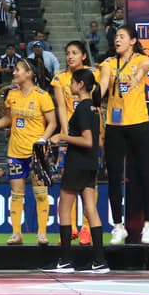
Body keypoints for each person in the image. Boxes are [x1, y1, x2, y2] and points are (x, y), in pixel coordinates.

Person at [0, 58, 57, 246]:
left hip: (37, 152)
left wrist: (43, 140)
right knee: (16, 193)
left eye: (17, 70)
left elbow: (53, 123)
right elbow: (8, 119)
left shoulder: (42, 96)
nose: (14, 72)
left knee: (41, 193)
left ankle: (42, 233)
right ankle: (16, 234)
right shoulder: (12, 95)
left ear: (29, 74)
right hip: (15, 151)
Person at [98, 23, 149, 245]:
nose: (117, 40)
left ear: (132, 40)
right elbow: (103, 84)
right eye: (116, 37)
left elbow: (145, 67)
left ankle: (148, 225)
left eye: (122, 36)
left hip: (139, 123)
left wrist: (136, 77)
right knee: (113, 176)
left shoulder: (141, 59)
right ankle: (118, 226)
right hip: (114, 125)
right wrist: (94, 97)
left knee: (145, 175)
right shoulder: (109, 63)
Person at [48, 69, 108, 275]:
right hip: (91, 164)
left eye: (73, 82)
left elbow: (88, 140)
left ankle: (65, 260)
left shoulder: (83, 108)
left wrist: (62, 136)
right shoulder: (94, 108)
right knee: (91, 209)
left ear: (80, 84)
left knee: (64, 209)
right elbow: (96, 142)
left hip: (78, 163)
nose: (70, 85)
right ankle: (99, 260)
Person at [51, 40, 97, 244]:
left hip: (87, 132)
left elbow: (96, 104)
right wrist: (64, 131)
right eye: (68, 53)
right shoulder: (60, 78)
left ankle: (86, 228)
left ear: (83, 56)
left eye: (75, 53)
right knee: (71, 185)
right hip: (71, 132)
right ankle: (71, 229)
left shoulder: (90, 76)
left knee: (84, 188)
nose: (70, 56)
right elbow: (61, 107)